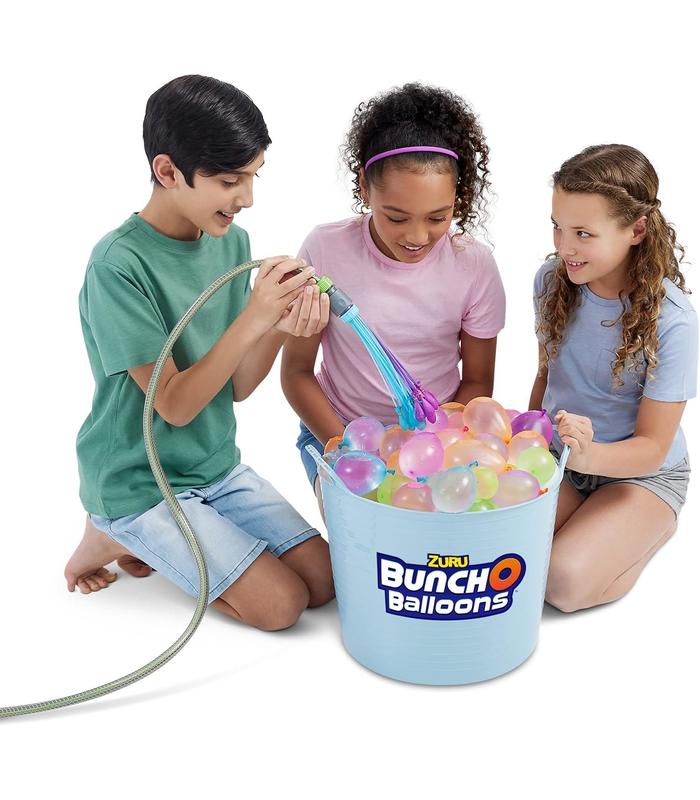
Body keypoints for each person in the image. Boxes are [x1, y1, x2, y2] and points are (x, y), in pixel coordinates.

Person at [64, 75, 333, 630]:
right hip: (142, 481)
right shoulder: (117, 266)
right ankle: (114, 531)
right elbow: (174, 405)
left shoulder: (231, 242)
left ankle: (159, 542)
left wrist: (279, 324)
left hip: (214, 467)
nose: (247, 198)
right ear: (168, 172)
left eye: (253, 177)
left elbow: (237, 387)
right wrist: (254, 315)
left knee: (326, 581)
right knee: (281, 606)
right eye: (230, 180)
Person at [282, 83, 506, 509]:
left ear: (458, 199)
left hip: (435, 440)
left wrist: (429, 448)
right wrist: (344, 448)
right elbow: (296, 372)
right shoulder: (325, 249)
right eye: (396, 217)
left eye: (438, 217)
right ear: (365, 189)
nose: (417, 236)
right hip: (335, 430)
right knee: (366, 536)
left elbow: (478, 381)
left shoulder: (473, 264)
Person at [530, 144, 697, 613]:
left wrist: (591, 455)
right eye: (558, 226)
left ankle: (652, 525)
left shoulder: (673, 321)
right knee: (505, 554)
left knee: (560, 584)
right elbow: (547, 374)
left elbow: (652, 447)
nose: (564, 247)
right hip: (565, 459)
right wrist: (528, 438)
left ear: (636, 230)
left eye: (583, 233)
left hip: (641, 474)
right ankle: (593, 523)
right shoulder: (551, 281)